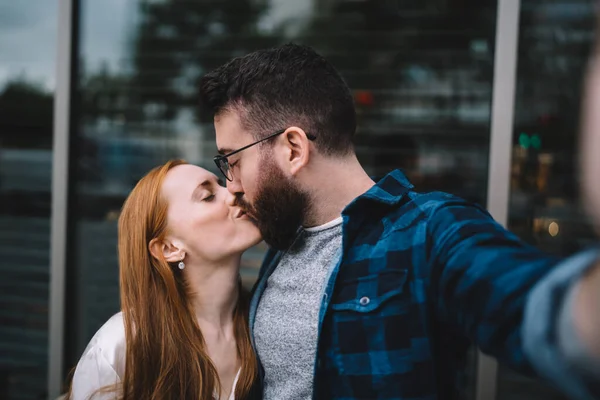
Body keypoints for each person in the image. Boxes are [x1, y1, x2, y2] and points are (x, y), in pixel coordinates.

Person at [198, 43, 600, 400]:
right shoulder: (282, 240)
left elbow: (535, 309)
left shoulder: (430, 231)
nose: (230, 185)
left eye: (233, 162)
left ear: (293, 149)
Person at [65, 160, 261, 400]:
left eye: (221, 184)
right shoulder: (122, 345)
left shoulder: (264, 329)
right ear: (169, 248)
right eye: (208, 196)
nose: (233, 192)